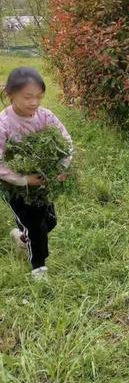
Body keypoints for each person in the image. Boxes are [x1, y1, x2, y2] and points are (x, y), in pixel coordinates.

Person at [0, 67, 73, 280]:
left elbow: (66, 141)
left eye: (39, 97)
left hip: (42, 181)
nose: (34, 103)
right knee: (35, 225)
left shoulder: (45, 117)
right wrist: (23, 180)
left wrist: (62, 168)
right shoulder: (3, 124)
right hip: (15, 185)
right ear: (11, 94)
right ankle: (38, 269)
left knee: (50, 221)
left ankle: (22, 239)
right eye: (28, 97)